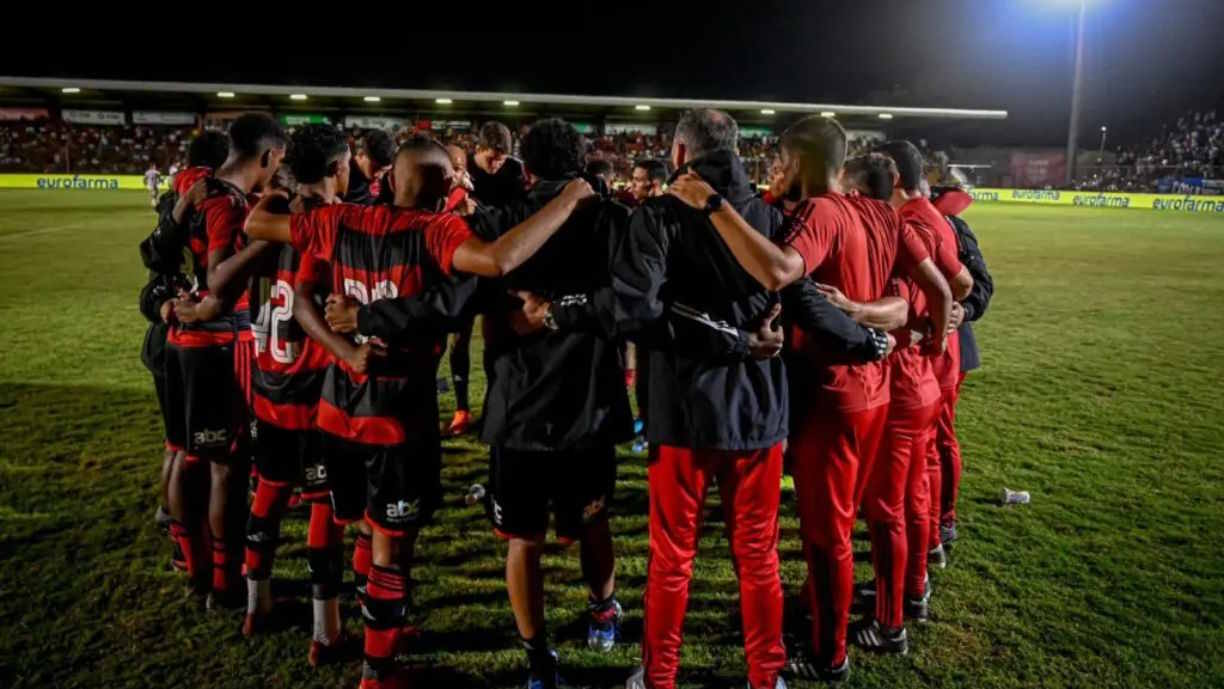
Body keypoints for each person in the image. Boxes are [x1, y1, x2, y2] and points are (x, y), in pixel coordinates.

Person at [244, 136, 595, 689]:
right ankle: (377, 671)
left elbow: (257, 226)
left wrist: (280, 196)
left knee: (362, 526)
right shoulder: (436, 231)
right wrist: (571, 198)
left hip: (337, 409)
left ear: (388, 180)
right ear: (438, 196)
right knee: (390, 544)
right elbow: (500, 258)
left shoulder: (341, 220)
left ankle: (353, 633)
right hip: (397, 414)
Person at [333, 118, 633, 689]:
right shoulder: (612, 219)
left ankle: (537, 657)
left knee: (524, 539)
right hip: (589, 401)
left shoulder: (501, 224)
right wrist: (575, 308)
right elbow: (636, 298)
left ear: (529, 166)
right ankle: (602, 612)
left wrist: (369, 317)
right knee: (594, 519)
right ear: (578, 162)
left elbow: (446, 306)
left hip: (518, 406)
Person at [668, 115, 952, 681]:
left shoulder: (821, 213)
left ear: (798, 162)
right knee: (858, 519)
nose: (774, 169)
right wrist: (885, 323)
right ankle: (852, 613)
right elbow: (920, 298)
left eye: (780, 159)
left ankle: (828, 653)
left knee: (827, 537)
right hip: (878, 388)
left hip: (830, 394)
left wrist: (711, 204)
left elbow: (779, 271)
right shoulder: (880, 212)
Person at [523, 109, 798, 689]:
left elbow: (635, 312)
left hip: (683, 413)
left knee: (672, 557)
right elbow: (802, 297)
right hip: (760, 412)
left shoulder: (660, 216)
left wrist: (562, 311)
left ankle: (661, 676)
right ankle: (766, 676)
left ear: (677, 154)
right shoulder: (774, 215)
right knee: (757, 555)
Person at [238, 125, 353, 669]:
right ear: (338, 168)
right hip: (311, 395)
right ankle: (325, 632)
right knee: (323, 510)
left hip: (267, 384)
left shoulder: (273, 217)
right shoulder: (325, 223)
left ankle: (255, 605)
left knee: (269, 493)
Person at [163, 114, 287, 609]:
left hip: (178, 338)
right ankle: (223, 581)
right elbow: (219, 278)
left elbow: (161, 253)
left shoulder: (193, 186)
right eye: (275, 162)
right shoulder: (231, 206)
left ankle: (192, 566)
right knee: (226, 469)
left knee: (186, 454)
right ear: (266, 156)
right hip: (217, 343)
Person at [876, 141, 974, 571]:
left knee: (913, 473)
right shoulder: (933, 216)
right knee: (928, 457)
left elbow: (959, 285)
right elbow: (963, 282)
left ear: (892, 178)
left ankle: (918, 565)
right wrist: (947, 314)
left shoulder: (910, 221)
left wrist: (932, 329)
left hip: (926, 362)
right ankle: (930, 543)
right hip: (939, 358)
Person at [139, 130, 229, 567]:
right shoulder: (207, 205)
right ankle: (191, 549)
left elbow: (152, 266)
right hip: (192, 345)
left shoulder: (177, 207)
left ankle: (177, 531)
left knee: (179, 444)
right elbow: (154, 268)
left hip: (171, 342)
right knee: (198, 452)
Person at [468, 121, 526, 208]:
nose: (495, 164)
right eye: (490, 159)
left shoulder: (515, 169)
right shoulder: (463, 166)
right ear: (478, 149)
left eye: (500, 160)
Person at [344, 129, 396, 205]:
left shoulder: (387, 178)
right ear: (361, 154)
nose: (380, 175)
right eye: (376, 168)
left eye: (384, 170)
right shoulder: (343, 173)